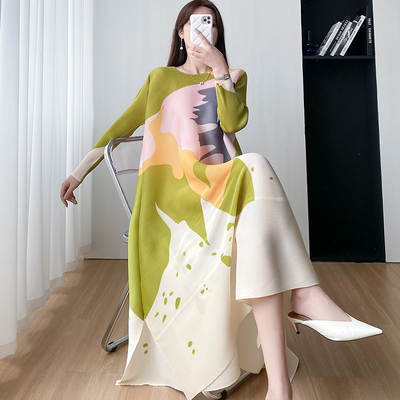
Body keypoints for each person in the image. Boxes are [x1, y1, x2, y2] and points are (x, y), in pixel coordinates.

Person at [60, 1, 383, 399]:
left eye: (211, 23)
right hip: (176, 198)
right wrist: (78, 173)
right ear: (181, 32)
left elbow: (232, 123)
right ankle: (305, 294)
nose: (203, 28)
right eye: (196, 22)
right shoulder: (160, 78)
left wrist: (219, 69)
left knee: (258, 230)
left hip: (223, 187)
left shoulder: (233, 76)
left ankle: (280, 388)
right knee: (255, 166)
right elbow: (120, 128)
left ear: (218, 34)